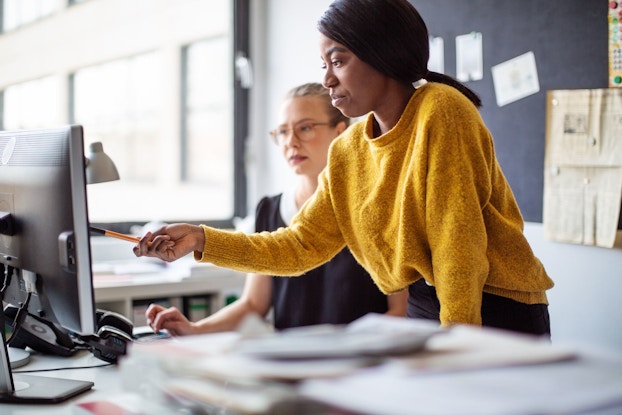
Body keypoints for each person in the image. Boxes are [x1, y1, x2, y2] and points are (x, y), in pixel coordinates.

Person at [135, 0, 554, 338]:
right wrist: (200, 238)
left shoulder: (441, 110)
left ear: (382, 54)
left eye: (338, 61)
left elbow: (456, 242)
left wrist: (460, 344)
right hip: (429, 305)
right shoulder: (350, 149)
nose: (328, 79)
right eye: (323, 64)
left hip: (492, 305)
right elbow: (298, 246)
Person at [145, 82, 407, 336]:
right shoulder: (270, 210)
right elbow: (253, 305)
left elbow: (402, 311)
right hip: (290, 368)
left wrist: (341, 350)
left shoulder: (374, 205)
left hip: (359, 369)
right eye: (282, 131)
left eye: (305, 128)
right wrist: (194, 329)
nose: (290, 142)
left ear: (341, 132)